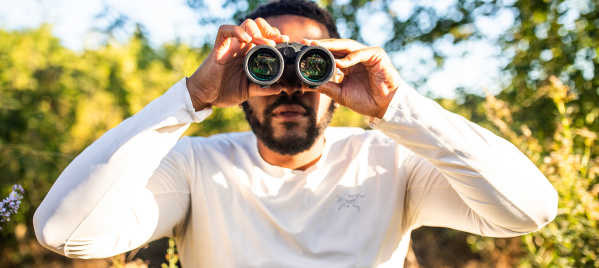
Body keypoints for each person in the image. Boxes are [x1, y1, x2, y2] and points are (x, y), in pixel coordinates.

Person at [33, 0, 558, 267]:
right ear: (242, 73)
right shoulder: (196, 166)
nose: (288, 88)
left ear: (340, 68)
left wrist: (399, 107)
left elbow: (528, 211)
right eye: (265, 67)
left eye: (312, 66)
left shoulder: (389, 161)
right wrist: (190, 97)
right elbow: (65, 232)